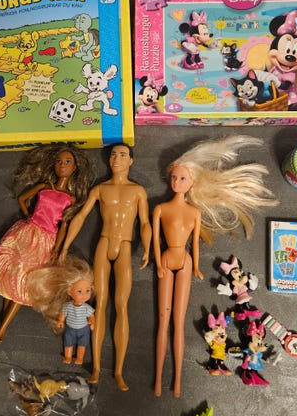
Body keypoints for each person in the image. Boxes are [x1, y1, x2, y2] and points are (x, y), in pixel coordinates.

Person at [153, 135, 277, 397]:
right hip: (165, 258)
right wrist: (155, 260)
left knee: (178, 320)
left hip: (185, 261)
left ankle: (177, 380)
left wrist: (197, 266)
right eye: (174, 178)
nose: (176, 182)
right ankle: (158, 378)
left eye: (182, 178)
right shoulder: (161, 208)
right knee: (163, 319)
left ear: (192, 182)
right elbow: (155, 239)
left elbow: (195, 244)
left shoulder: (193, 212)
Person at [59, 143, 152, 391]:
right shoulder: (100, 189)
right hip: (104, 243)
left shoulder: (138, 191)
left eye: (122, 155)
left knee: (121, 305)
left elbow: (145, 223)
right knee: (99, 304)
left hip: (125, 246)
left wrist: (147, 247)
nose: (116, 158)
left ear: (131, 161)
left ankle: (119, 371)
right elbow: (80, 216)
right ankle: (97, 368)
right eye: (113, 155)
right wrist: (65, 246)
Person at [0, 144, 92, 343]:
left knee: (24, 282)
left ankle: (2, 329)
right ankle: (2, 326)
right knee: (12, 275)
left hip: (46, 240)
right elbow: (22, 199)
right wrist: (28, 216)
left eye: (67, 162)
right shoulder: (44, 187)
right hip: (28, 232)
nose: (62, 165)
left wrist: (57, 248)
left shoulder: (71, 198)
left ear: (74, 168)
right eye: (59, 161)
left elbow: (64, 225)